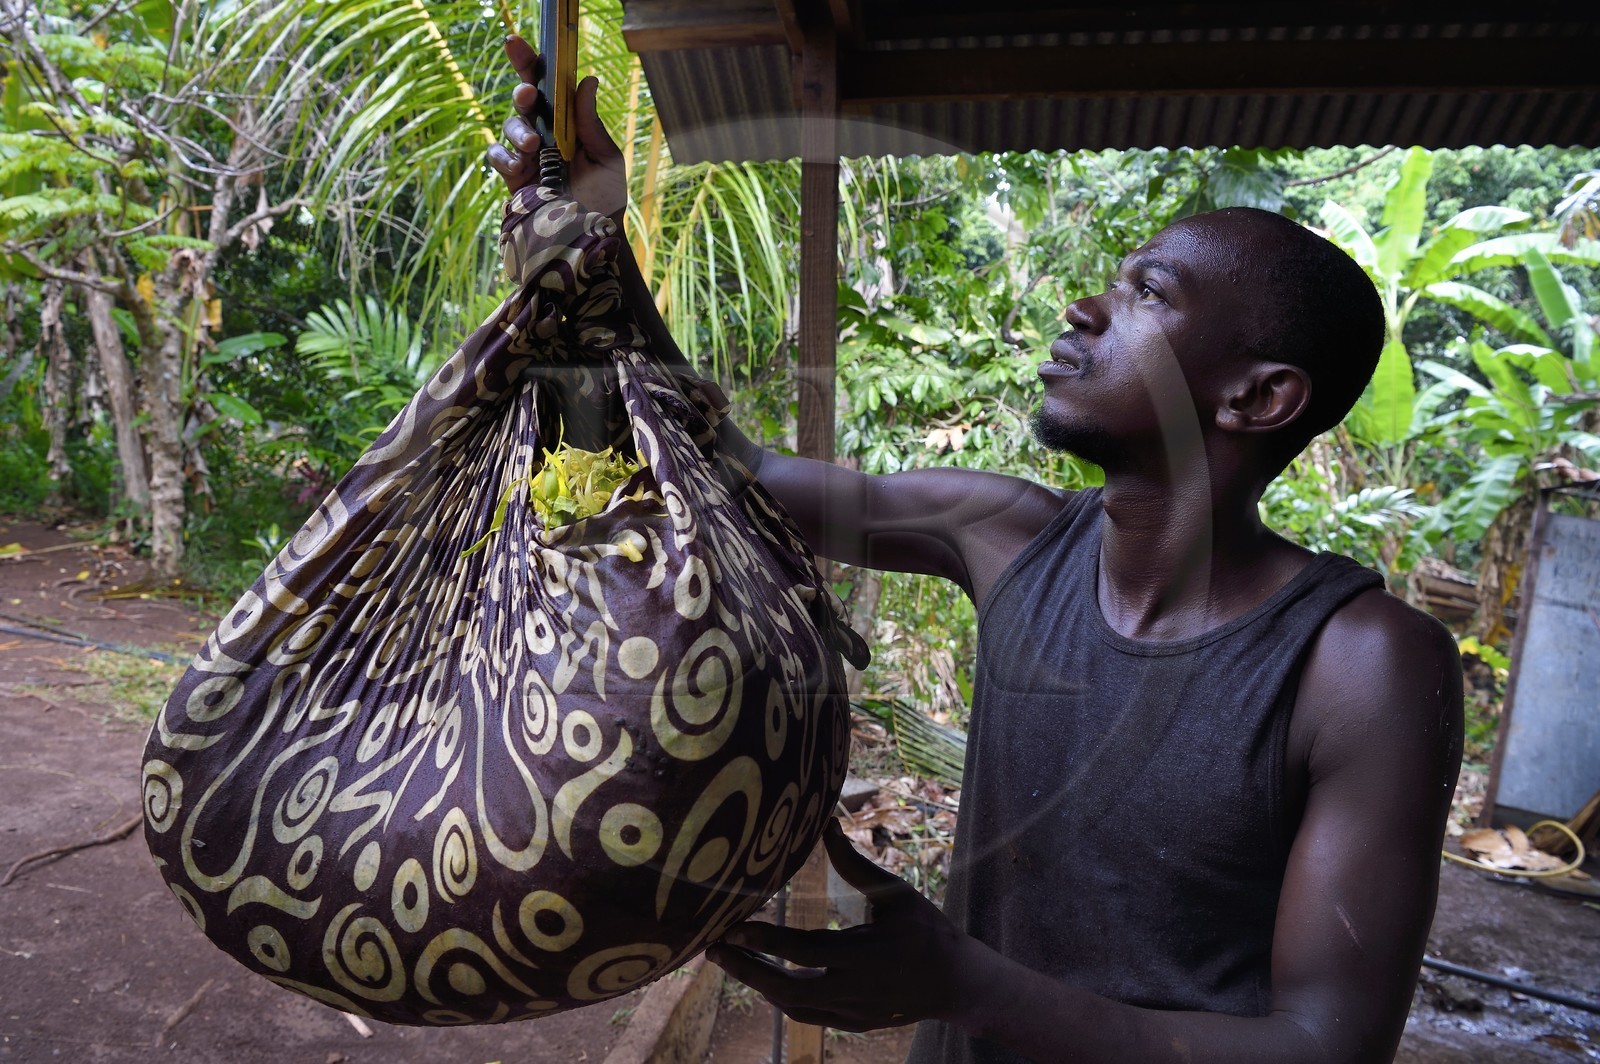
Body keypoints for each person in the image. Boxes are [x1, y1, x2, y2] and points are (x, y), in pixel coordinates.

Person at [487, 36, 1463, 1064]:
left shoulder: (1360, 665)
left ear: (1258, 396)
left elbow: (1329, 1043)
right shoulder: (1003, 533)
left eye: (1150, 293)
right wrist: (596, 237)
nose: (1087, 308)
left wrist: (967, 984)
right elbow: (727, 464)